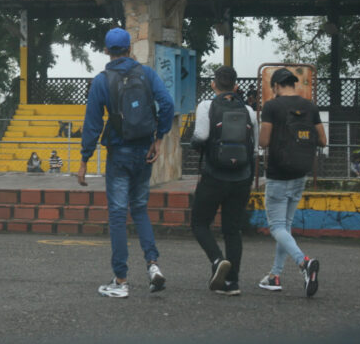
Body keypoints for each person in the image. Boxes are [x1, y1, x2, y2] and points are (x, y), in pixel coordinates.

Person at [77, 27, 174, 298]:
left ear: (106, 51)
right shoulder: (147, 74)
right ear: (130, 49)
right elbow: (167, 104)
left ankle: (120, 280)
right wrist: (158, 138)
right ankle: (153, 265)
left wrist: (84, 159)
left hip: (119, 153)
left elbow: (93, 124)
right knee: (140, 208)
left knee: (119, 214)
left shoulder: (101, 81)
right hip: (144, 151)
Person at [190, 66, 258, 296]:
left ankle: (217, 260)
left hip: (214, 175)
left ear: (213, 84)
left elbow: (200, 137)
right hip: (241, 177)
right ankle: (232, 284)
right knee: (232, 230)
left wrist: (196, 146)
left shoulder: (206, 106)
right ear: (236, 86)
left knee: (199, 224)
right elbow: (255, 149)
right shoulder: (249, 111)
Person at [258, 68, 327, 296]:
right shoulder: (310, 107)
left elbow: (264, 141)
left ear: (276, 86)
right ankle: (275, 276)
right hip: (300, 173)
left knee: (276, 227)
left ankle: (303, 262)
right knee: (285, 227)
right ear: (293, 84)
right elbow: (323, 140)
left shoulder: (271, 106)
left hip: (278, 174)